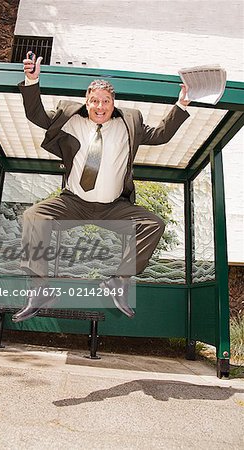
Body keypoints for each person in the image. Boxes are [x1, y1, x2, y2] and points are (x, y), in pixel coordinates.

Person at [12, 52, 190, 323]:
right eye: (94, 100)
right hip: (74, 202)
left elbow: (162, 134)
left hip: (114, 208)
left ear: (113, 103)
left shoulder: (129, 122)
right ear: (87, 100)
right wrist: (32, 80)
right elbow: (35, 114)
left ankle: (118, 281)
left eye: (105, 101)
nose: (100, 106)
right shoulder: (69, 117)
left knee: (153, 224)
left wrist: (182, 103)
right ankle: (40, 290)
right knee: (34, 216)